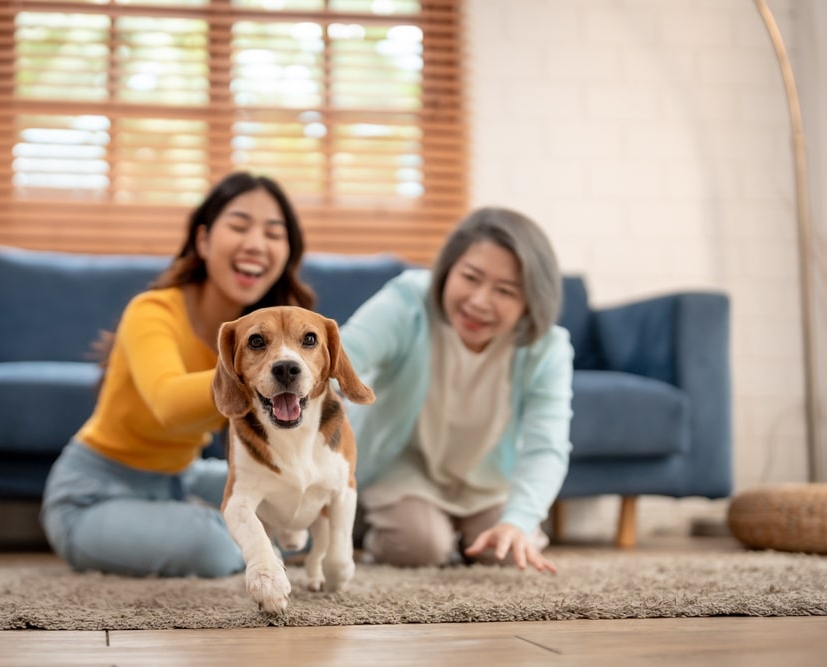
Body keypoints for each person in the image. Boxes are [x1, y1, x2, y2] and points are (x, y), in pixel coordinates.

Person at [40, 172, 315, 578]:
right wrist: (263, 377)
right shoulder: (153, 311)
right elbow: (169, 403)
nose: (256, 243)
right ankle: (254, 543)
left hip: (181, 477)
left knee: (307, 496)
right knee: (216, 545)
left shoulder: (268, 339)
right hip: (92, 494)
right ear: (203, 241)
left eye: (274, 234)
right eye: (239, 226)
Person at [341, 207, 573, 573]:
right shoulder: (409, 301)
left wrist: (518, 521)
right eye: (471, 277)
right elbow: (342, 355)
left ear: (530, 301)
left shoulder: (547, 347)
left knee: (507, 552)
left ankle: (460, 536)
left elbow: (547, 446)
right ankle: (368, 527)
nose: (480, 301)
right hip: (402, 465)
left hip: (485, 477)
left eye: (505, 291)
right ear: (448, 270)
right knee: (422, 546)